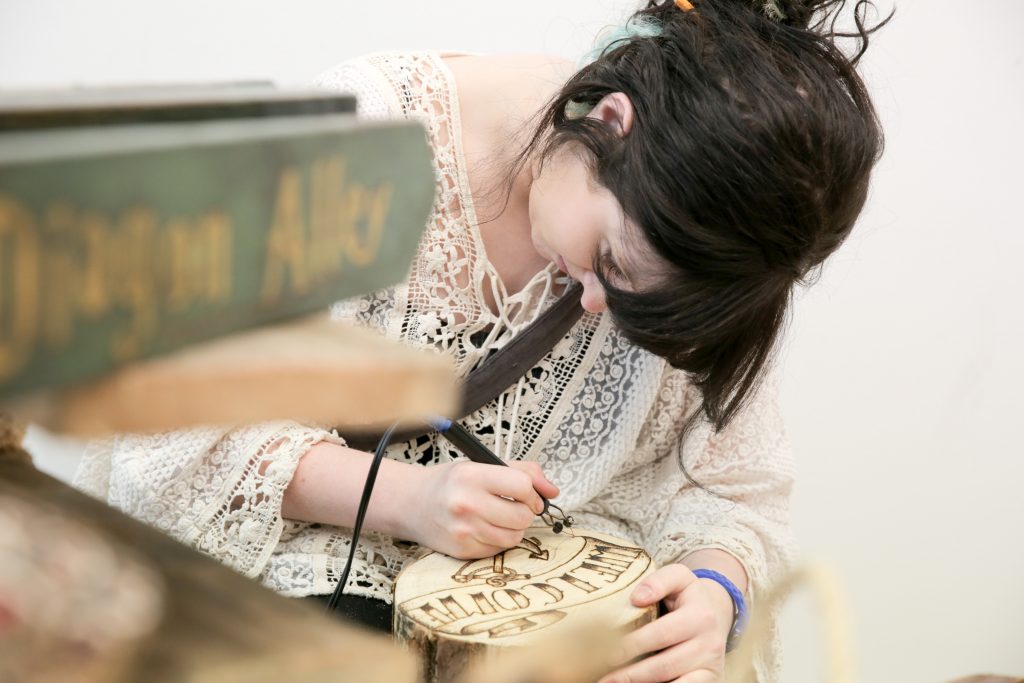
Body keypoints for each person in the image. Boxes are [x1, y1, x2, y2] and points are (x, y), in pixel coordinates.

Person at [73, 1, 888, 681]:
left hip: (544, 617)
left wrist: (715, 592)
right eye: (608, 260)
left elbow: (733, 486)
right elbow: (180, 420)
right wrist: (408, 500)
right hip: (306, 566)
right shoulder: (368, 136)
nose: (599, 305)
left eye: (643, 302)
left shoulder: (711, 254)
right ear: (608, 122)